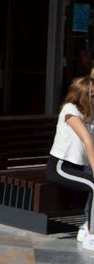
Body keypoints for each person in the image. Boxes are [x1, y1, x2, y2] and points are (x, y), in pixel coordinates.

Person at [47, 74, 94, 251]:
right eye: (93, 95)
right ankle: (92, 235)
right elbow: (87, 139)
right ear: (83, 95)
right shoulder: (70, 110)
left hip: (79, 168)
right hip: (60, 167)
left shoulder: (90, 114)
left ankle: (86, 227)